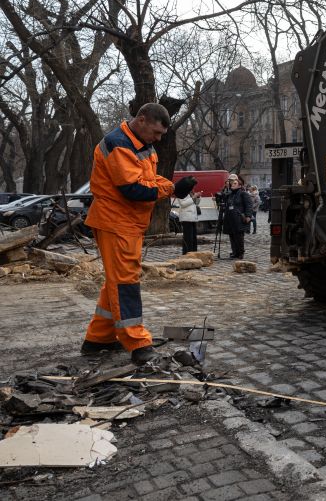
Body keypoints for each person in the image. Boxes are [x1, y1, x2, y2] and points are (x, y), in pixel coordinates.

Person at [81, 103, 196, 365]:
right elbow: (132, 189)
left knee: (117, 281)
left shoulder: (140, 144)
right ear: (141, 120)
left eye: (160, 136)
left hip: (126, 224)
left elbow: (150, 179)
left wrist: (173, 187)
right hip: (115, 222)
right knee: (125, 283)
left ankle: (98, 338)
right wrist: (171, 191)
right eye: (155, 133)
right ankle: (137, 343)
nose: (158, 139)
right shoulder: (119, 144)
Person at [222, 173, 252, 259]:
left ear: (239, 185)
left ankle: (241, 252)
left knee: (239, 236)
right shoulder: (230, 194)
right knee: (232, 236)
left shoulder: (243, 194)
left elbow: (249, 205)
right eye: (232, 183)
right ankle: (235, 252)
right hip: (230, 218)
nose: (232, 184)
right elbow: (224, 199)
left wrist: (248, 216)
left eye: (235, 183)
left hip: (239, 218)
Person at [175, 188, 201, 254]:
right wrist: (193, 197)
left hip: (193, 217)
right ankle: (187, 252)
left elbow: (196, 203)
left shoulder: (191, 192)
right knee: (188, 237)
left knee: (193, 237)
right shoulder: (181, 193)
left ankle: (194, 252)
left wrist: (198, 197)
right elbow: (183, 204)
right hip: (186, 218)